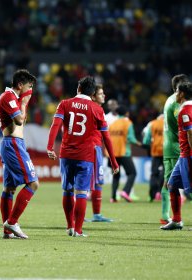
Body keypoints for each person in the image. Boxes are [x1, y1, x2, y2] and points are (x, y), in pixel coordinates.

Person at [47, 76, 119, 237]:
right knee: (81, 193)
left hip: (66, 154)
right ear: (93, 92)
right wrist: (113, 161)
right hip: (85, 155)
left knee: (67, 191)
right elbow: (106, 137)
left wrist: (50, 146)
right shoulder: (97, 109)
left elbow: (55, 125)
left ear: (78, 88)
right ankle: (78, 230)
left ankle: (69, 226)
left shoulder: (64, 104)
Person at [0, 69, 38, 239]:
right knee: (33, 184)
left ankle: (7, 231)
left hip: (12, 143)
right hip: (13, 144)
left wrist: (24, 102)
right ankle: (12, 222)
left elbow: (21, 121)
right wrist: (24, 102)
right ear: (20, 85)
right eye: (29, 87)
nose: (30, 91)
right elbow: (19, 120)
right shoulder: (8, 97)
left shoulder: (13, 98)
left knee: (9, 188)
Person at [160, 82, 192, 230]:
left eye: (178, 91)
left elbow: (190, 133)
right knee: (171, 184)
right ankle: (176, 220)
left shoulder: (185, 110)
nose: (176, 94)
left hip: (188, 154)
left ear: (183, 94)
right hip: (183, 154)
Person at [86, 84, 114, 222]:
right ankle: (80, 215)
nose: (104, 96)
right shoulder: (95, 109)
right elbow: (105, 135)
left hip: (94, 147)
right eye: (101, 94)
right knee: (89, 182)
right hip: (92, 148)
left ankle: (96, 214)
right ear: (93, 96)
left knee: (96, 181)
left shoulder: (93, 109)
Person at [109, 105, 141, 203]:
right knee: (132, 173)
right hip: (124, 152)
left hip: (113, 153)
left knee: (116, 175)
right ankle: (125, 191)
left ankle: (113, 197)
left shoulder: (112, 124)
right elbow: (130, 138)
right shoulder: (128, 123)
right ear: (126, 113)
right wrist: (139, 143)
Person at [142, 114, 164, 202]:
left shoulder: (152, 124)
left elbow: (146, 140)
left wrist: (147, 145)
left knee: (154, 173)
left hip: (155, 151)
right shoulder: (168, 123)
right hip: (166, 151)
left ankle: (152, 195)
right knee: (165, 172)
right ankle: (160, 192)